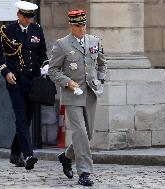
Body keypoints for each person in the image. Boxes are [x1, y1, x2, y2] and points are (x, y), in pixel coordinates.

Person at [48, 10, 107, 186]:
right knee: (80, 132)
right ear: (71, 26)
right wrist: (68, 82)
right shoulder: (62, 44)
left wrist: (100, 79)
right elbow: (53, 70)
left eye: (84, 25)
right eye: (78, 25)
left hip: (90, 93)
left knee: (87, 134)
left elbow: (102, 62)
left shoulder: (94, 40)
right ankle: (85, 172)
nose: (82, 28)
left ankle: (66, 157)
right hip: (72, 95)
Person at [0, 1, 48, 170]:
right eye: (26, 17)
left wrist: (45, 65)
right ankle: (28, 154)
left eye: (31, 17)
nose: (28, 20)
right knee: (21, 117)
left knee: (27, 119)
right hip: (15, 81)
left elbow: (42, 52)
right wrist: (6, 72)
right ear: (18, 15)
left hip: (33, 81)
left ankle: (15, 153)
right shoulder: (7, 31)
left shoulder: (37, 29)